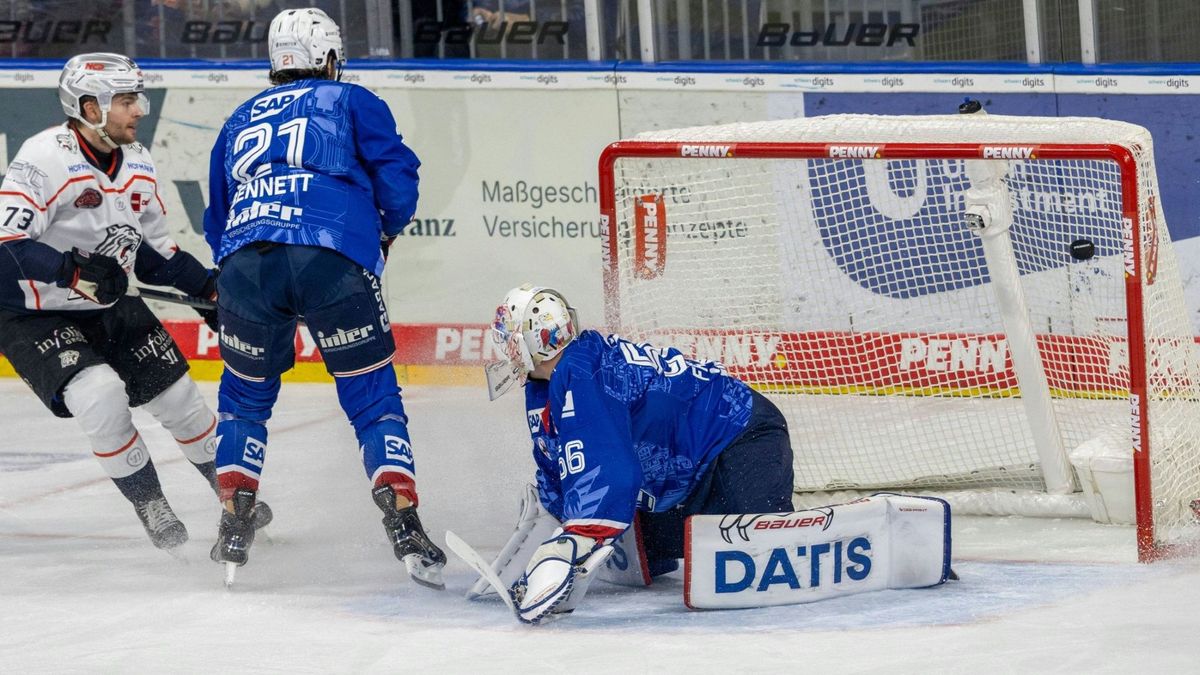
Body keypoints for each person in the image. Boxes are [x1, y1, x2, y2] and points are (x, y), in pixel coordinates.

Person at [203, 7, 446, 588]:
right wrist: (384, 231)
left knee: (243, 397)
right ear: (330, 57)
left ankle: (235, 516)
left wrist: (237, 266)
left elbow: (216, 217)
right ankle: (404, 520)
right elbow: (398, 179)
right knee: (370, 394)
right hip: (331, 253)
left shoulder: (238, 119)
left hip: (245, 261)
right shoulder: (352, 99)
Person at [0, 52, 270, 550]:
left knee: (181, 402)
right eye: (125, 101)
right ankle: (150, 502)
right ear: (87, 106)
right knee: (99, 395)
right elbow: (5, 244)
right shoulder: (44, 159)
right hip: (31, 312)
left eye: (137, 98)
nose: (138, 110)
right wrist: (71, 271)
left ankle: (229, 494)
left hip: (107, 302)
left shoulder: (139, 160)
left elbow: (155, 254)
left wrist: (210, 291)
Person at [487, 284, 795, 623]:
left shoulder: (582, 373)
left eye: (507, 337)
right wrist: (553, 521)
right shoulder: (546, 385)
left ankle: (800, 537)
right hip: (689, 479)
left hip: (744, 436)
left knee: (757, 555)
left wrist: (572, 543)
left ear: (527, 340)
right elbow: (561, 465)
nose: (504, 349)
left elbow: (611, 473)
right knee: (651, 550)